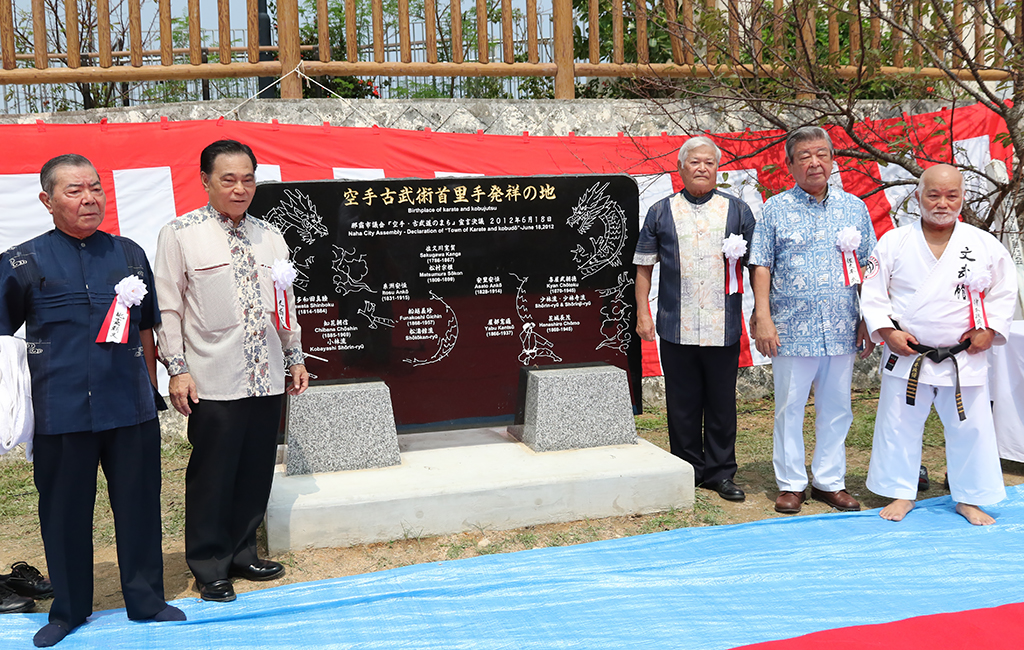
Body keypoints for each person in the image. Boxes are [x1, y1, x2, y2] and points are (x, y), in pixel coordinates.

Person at [0, 154, 184, 647]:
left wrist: (153, 389)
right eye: (74, 190)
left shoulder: (127, 253)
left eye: (95, 188)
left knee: (141, 507)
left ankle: (147, 600)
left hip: (130, 409)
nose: (89, 199)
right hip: (60, 414)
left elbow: (146, 328)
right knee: (63, 514)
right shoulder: (22, 260)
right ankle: (69, 610)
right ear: (47, 200)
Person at [154, 140, 309, 603]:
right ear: (205, 180)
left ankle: (244, 552)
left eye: (248, 179)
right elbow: (167, 308)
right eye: (228, 179)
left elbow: (285, 302)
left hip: (266, 374)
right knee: (213, 472)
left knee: (256, 468)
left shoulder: (271, 236)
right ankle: (209, 564)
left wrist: (295, 355)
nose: (240, 188)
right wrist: (177, 369)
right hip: (212, 376)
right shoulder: (180, 233)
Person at [861, 164, 1016, 525]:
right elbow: (872, 293)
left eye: (952, 195)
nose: (942, 203)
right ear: (917, 197)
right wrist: (887, 332)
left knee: (971, 427)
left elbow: (1004, 291)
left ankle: (969, 497)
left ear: (962, 197)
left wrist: (988, 329)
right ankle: (901, 492)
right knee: (899, 423)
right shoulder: (894, 241)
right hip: (908, 352)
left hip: (964, 356)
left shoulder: (982, 244)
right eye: (933, 194)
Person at [748, 127, 876, 514]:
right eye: (804, 156)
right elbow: (762, 264)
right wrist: (763, 317)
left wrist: (867, 318)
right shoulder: (775, 208)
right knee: (789, 406)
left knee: (837, 406)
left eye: (821, 154)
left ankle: (829, 481)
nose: (814, 162)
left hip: (841, 326)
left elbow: (870, 267)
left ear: (833, 159)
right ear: (789, 164)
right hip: (790, 328)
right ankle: (790, 483)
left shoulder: (855, 208)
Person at [633, 137, 756, 501]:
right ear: (681, 168)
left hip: (723, 326)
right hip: (676, 324)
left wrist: (759, 313)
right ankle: (687, 469)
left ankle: (721, 473)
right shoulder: (660, 211)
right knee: (682, 403)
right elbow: (643, 267)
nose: (702, 168)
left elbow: (757, 268)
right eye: (695, 163)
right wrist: (643, 313)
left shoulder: (738, 211)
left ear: (718, 169)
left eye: (709, 163)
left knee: (721, 402)